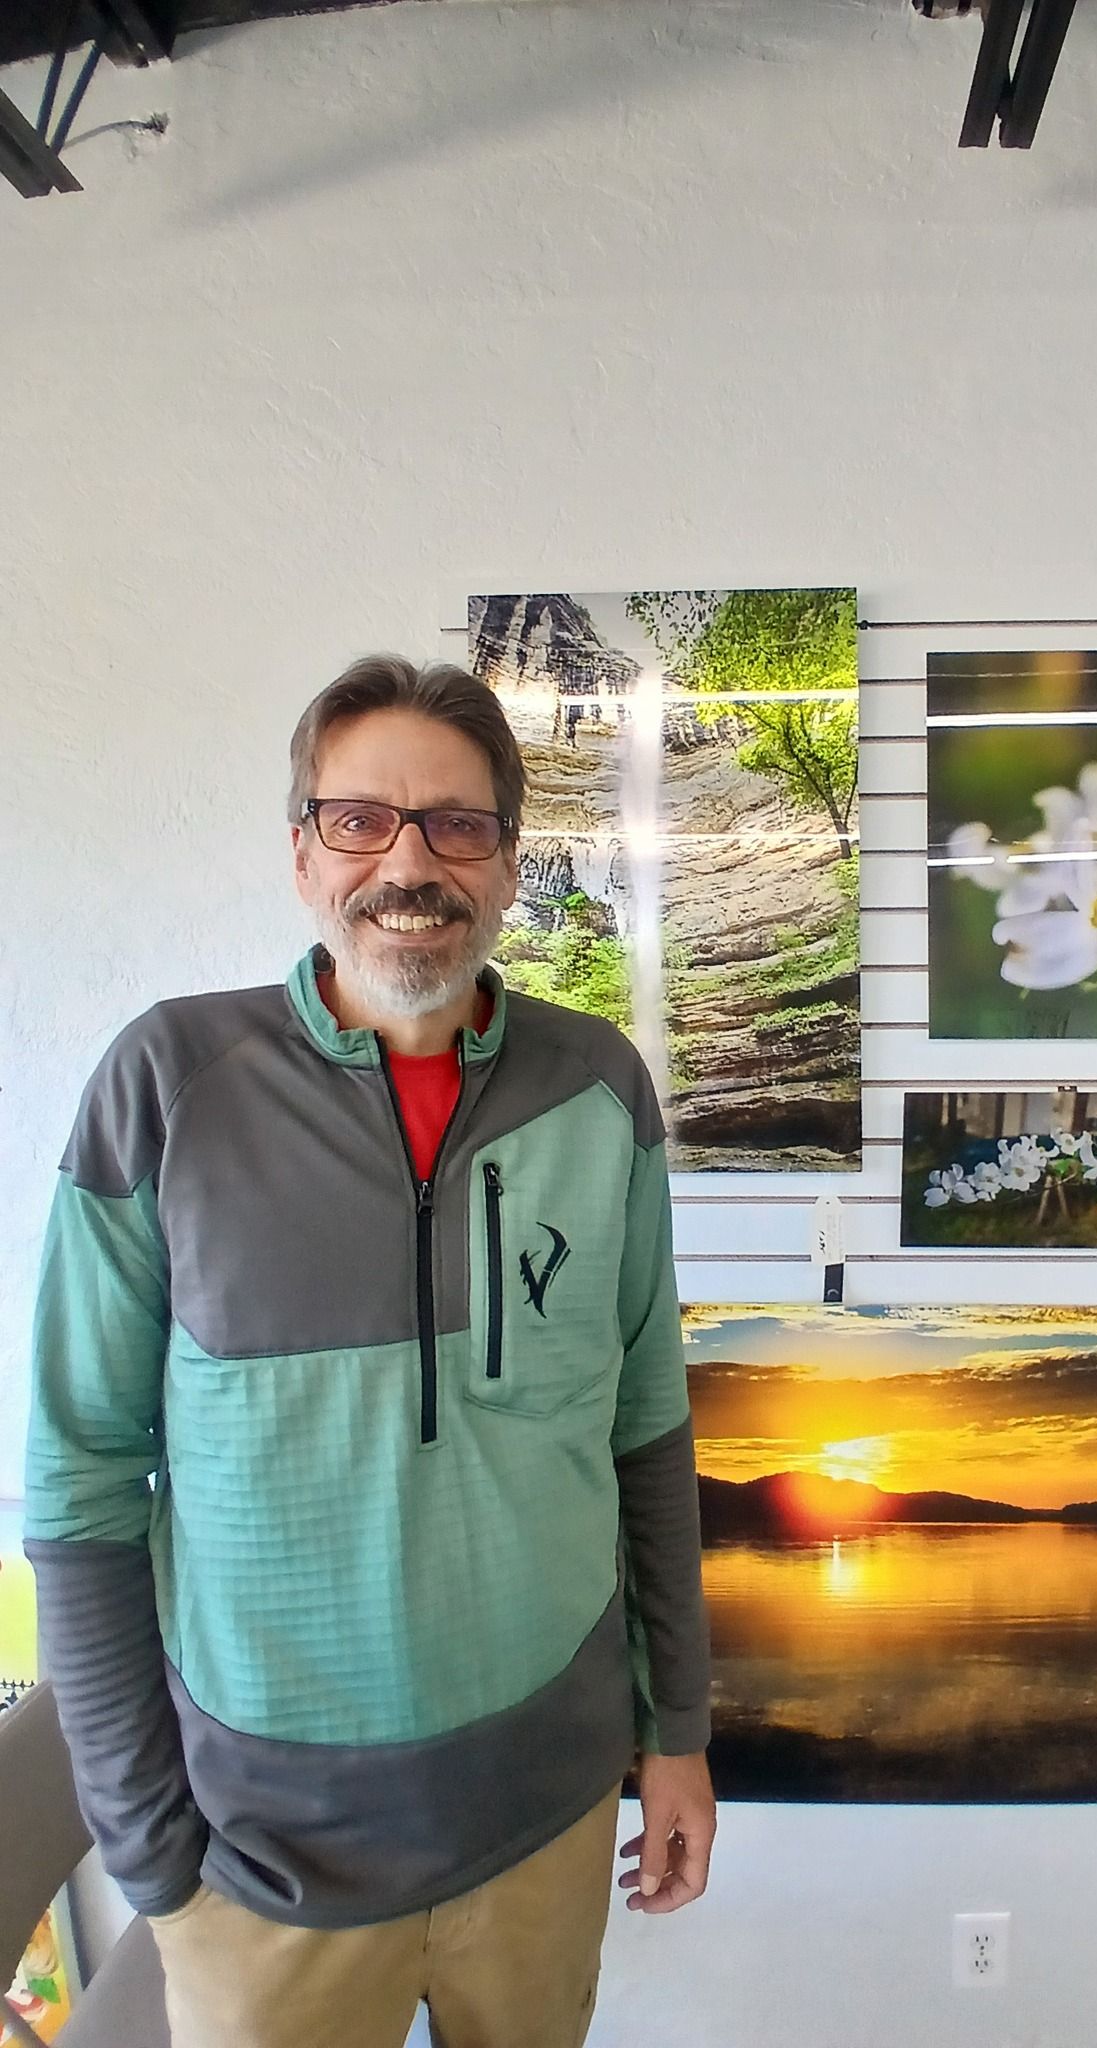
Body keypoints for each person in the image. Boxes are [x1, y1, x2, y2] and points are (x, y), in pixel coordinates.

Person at [24, 655, 715, 2048]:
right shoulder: (167, 1089)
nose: (411, 862)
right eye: (362, 820)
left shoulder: (600, 1094)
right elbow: (83, 1484)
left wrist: (680, 1731)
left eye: (458, 824)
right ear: (303, 856)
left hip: (549, 1824)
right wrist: (149, 1849)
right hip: (265, 1872)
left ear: (512, 867)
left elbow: (645, 1428)